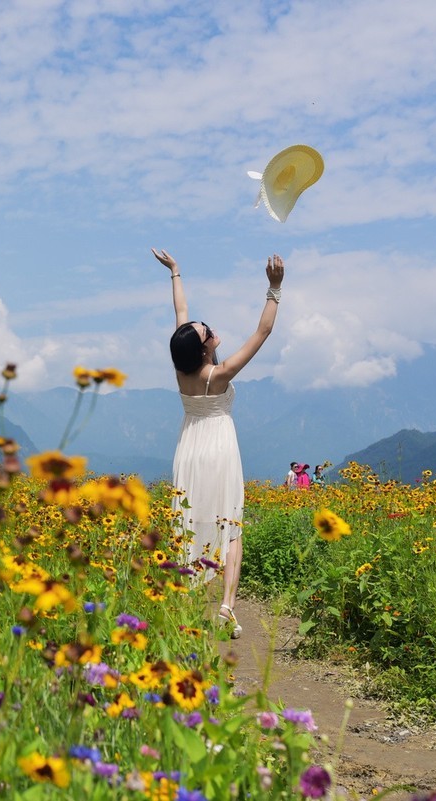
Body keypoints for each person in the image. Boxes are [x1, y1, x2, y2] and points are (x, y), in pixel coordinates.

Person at [154, 246, 284, 640]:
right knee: (232, 525)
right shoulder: (221, 373)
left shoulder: (182, 366)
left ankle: (186, 596)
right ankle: (226, 605)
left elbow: (180, 316)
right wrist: (274, 288)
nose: (206, 327)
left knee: (189, 519)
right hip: (219, 448)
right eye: (205, 331)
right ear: (207, 347)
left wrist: (175, 272)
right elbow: (263, 332)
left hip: (189, 448)